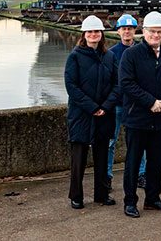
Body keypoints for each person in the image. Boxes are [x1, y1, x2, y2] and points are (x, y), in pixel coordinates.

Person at [119, 11, 161, 218]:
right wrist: (151, 102)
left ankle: (153, 199)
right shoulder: (131, 55)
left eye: (160, 32)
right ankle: (130, 201)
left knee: (156, 161)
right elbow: (127, 84)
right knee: (133, 162)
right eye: (152, 31)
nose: (156, 35)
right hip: (137, 118)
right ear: (143, 31)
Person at [65, 15, 119, 209]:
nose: (93, 35)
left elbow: (117, 84)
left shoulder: (110, 57)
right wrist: (92, 107)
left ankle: (101, 194)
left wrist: (105, 106)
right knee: (78, 158)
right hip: (81, 115)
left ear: (101, 34)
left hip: (105, 114)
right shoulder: (75, 56)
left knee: (102, 156)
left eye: (96, 31)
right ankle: (76, 196)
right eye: (90, 32)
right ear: (84, 35)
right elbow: (72, 86)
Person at [107, 14, 146, 192]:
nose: (127, 32)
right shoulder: (111, 53)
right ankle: (107, 176)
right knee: (110, 142)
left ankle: (141, 174)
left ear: (135, 30)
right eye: (124, 29)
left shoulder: (141, 50)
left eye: (130, 28)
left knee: (139, 142)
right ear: (119, 31)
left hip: (136, 105)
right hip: (117, 105)